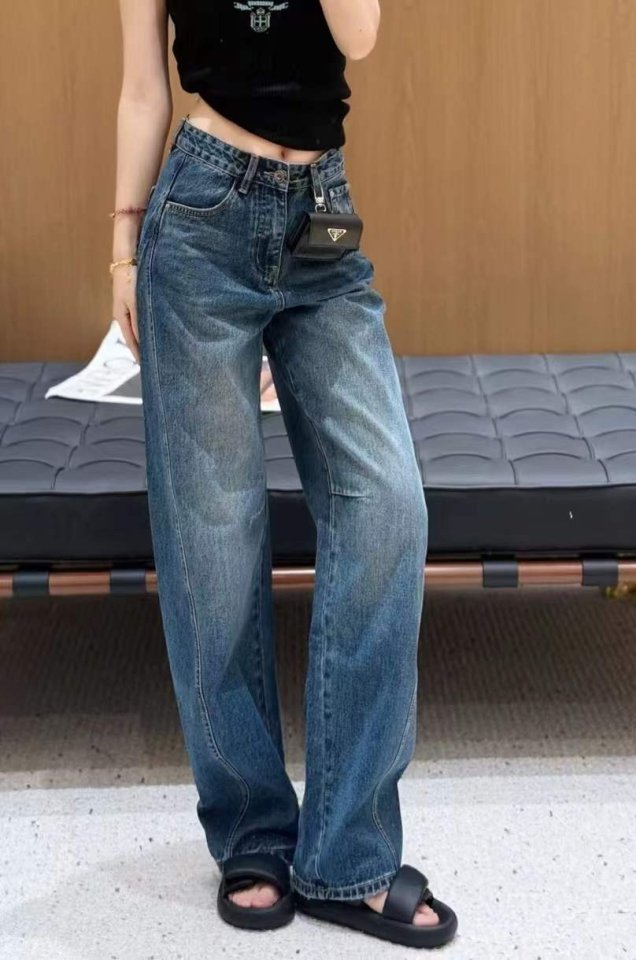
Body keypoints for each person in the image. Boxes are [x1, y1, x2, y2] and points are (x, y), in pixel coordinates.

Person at [112, 0, 457, 948]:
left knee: (387, 508)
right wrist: (121, 248)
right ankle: (253, 832)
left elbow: (359, 36)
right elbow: (142, 88)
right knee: (213, 542)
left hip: (320, 219)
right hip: (199, 218)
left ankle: (348, 855)